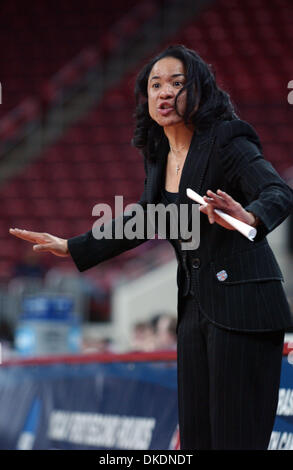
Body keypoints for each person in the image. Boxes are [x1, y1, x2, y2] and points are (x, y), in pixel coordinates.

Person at [10, 45, 293, 450]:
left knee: (235, 438)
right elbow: (146, 220)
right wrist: (73, 247)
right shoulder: (158, 154)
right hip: (195, 308)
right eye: (155, 85)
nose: (164, 92)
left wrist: (251, 217)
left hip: (243, 306)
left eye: (176, 83)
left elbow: (277, 191)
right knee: (197, 438)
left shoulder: (228, 139)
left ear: (198, 91)